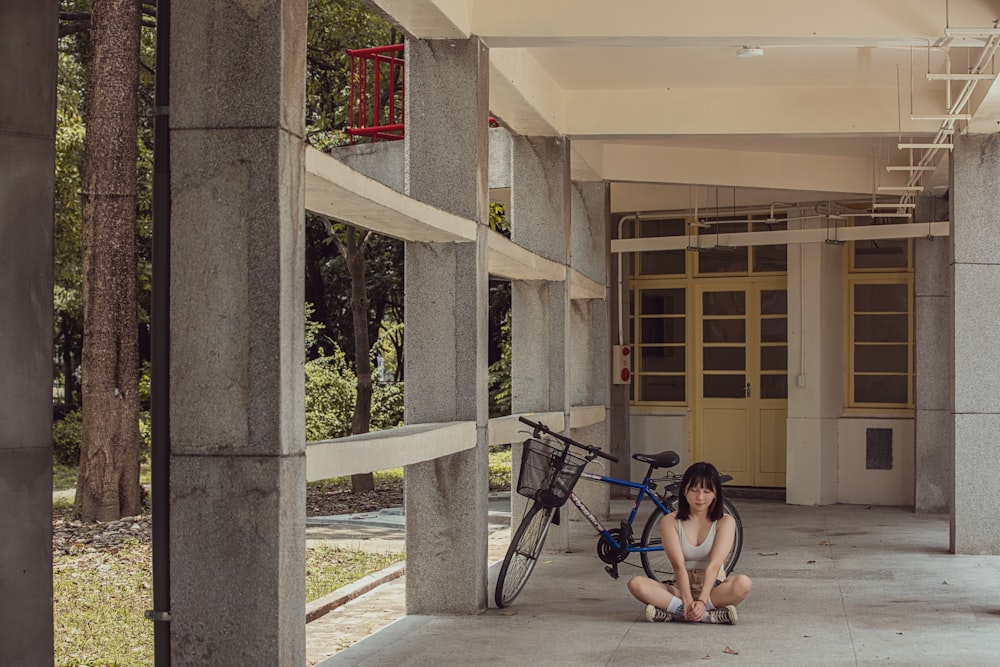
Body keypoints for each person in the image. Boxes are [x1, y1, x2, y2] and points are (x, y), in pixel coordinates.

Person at [626, 461, 751, 625]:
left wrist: (702, 600)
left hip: (713, 586)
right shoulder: (670, 521)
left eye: (707, 491)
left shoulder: (725, 521)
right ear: (684, 491)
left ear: (715, 494)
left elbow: (714, 565)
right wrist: (686, 599)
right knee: (636, 584)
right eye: (694, 490)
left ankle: (677, 612)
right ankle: (705, 615)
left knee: (743, 583)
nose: (700, 497)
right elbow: (678, 565)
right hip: (680, 586)